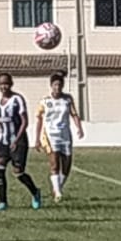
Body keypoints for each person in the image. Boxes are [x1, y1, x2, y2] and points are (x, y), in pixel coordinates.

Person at [0, 72, 42, 210]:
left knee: (18, 172)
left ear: (11, 84)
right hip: (3, 140)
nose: (4, 87)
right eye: (1, 84)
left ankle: (35, 192)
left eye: (6, 83)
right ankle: (2, 202)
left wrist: (17, 140)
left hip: (18, 141)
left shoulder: (17, 99)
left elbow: (24, 122)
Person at [34, 71, 84, 203]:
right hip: (51, 135)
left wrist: (79, 128)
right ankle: (58, 193)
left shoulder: (67, 99)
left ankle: (57, 188)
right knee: (55, 164)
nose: (57, 87)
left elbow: (74, 114)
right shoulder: (45, 101)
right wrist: (37, 138)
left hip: (65, 135)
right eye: (55, 84)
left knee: (67, 166)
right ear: (51, 85)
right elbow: (39, 119)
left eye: (60, 85)